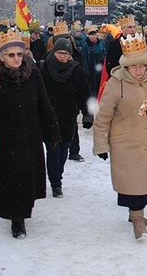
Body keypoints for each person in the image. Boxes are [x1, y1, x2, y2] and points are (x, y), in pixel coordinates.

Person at [93, 33, 147, 240]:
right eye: (133, 67)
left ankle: (136, 212)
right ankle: (137, 219)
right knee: (133, 186)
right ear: (126, 66)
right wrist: (101, 144)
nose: (138, 71)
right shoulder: (116, 82)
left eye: (142, 66)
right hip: (127, 144)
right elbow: (103, 116)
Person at [0, 30, 60, 239]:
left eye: (19, 55)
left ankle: (22, 213)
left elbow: (44, 103)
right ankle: (16, 219)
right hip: (5, 137)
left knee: (26, 176)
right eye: (10, 55)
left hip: (29, 134)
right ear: (2, 57)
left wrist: (52, 129)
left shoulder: (32, 74)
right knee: (10, 179)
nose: (15, 59)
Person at [40, 38, 92, 198]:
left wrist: (87, 115)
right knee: (53, 150)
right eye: (59, 53)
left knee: (64, 151)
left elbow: (84, 94)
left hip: (69, 116)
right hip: (49, 116)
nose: (62, 56)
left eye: (66, 53)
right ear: (53, 52)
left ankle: (58, 173)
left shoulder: (76, 70)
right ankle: (56, 183)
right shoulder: (43, 68)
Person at [81, 25, 106, 97]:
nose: (94, 36)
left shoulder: (101, 43)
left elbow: (104, 53)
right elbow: (84, 59)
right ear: (88, 35)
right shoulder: (85, 46)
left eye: (95, 34)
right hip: (91, 70)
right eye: (92, 35)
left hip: (100, 69)